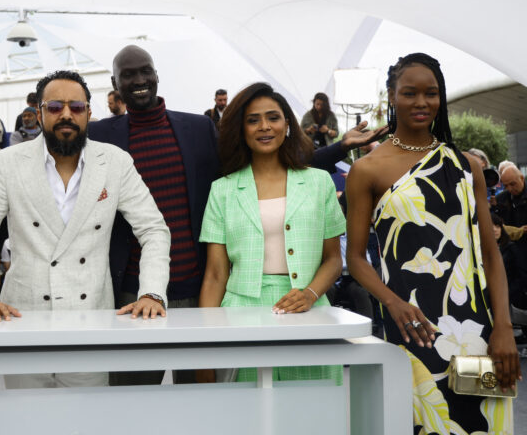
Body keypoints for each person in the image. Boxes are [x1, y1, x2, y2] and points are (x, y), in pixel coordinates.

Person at [0, 70, 170, 389]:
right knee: (25, 414)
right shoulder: (8, 163)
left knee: (86, 414)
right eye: (55, 107)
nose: (66, 115)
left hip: (91, 323)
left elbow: (153, 229)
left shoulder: (115, 162)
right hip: (22, 320)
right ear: (39, 113)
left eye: (77, 107)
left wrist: (152, 292)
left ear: (88, 113)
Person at [346, 53, 518, 433]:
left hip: (475, 330)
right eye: (410, 93)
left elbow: (490, 253)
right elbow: (355, 258)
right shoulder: (366, 169)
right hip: (411, 329)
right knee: (427, 423)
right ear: (392, 96)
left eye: (431, 93)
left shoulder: (466, 166)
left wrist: (503, 327)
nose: (421, 102)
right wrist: (392, 302)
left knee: (480, 423)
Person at [88, 45, 219, 385]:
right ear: (115, 84)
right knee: (131, 400)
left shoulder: (199, 129)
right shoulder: (98, 137)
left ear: (157, 75)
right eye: (128, 74)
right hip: (132, 296)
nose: (139, 80)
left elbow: (252, 167)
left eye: (145, 70)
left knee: (200, 399)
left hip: (195, 293)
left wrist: (338, 150)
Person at [199, 82, 345, 384]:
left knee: (313, 405)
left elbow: (333, 259)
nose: (264, 126)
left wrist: (310, 294)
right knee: (246, 407)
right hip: (239, 316)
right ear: (241, 129)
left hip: (309, 310)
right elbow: (215, 275)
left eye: (273, 117)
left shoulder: (320, 183)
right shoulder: (222, 190)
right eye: (253, 120)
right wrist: (203, 350)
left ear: (288, 124)